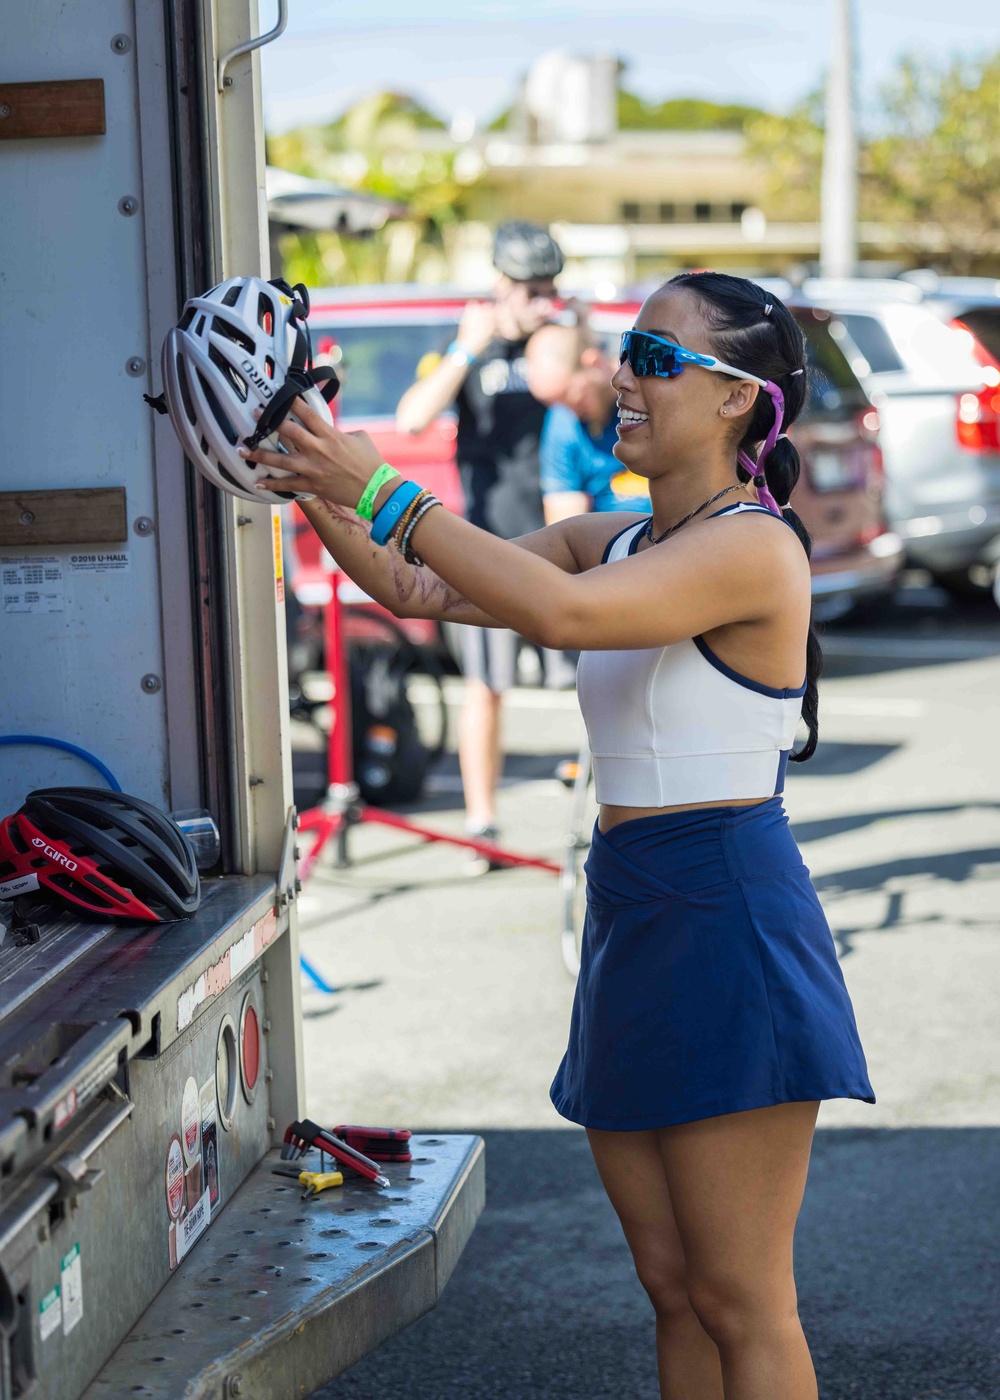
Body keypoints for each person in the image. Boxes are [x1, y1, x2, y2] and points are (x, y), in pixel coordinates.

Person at [243, 270, 875, 1400]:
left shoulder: (753, 548)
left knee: (742, 1300)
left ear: (738, 400)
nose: (624, 375)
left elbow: (564, 618)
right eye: (628, 350)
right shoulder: (613, 534)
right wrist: (314, 471)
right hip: (632, 904)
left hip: (728, 914)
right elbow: (413, 581)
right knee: (671, 1282)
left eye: (659, 358)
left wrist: (376, 480)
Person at [395, 221, 563, 851]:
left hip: (560, 539)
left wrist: (572, 335)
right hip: (488, 540)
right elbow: (411, 420)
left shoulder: (559, 343)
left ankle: (598, 811)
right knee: (485, 687)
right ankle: (481, 820)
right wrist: (468, 348)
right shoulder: (471, 348)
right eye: (527, 288)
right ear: (500, 284)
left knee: (588, 677)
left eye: (548, 287)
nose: (539, 300)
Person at [526, 320, 652, 523]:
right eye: (557, 404)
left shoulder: (653, 396)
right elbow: (564, 522)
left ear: (593, 362)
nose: (570, 412)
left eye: (573, 399)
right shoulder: (563, 422)